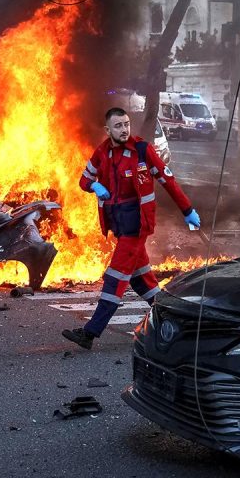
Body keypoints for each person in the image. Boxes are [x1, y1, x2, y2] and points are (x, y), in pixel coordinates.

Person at [62, 107, 200, 349]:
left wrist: (187, 210)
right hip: (119, 227)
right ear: (108, 130)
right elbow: (84, 180)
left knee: (115, 277)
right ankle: (181, 322)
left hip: (137, 227)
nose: (124, 129)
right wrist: (94, 186)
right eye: (118, 126)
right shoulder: (102, 153)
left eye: (126, 124)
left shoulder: (143, 151)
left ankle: (90, 333)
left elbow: (168, 181)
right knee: (142, 280)